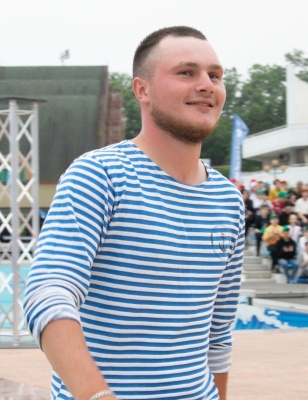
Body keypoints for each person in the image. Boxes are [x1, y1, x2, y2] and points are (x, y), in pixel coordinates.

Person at [23, 26, 242, 400]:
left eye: (215, 75)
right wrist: (96, 394)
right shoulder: (100, 175)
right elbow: (48, 293)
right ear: (143, 90)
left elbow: (218, 334)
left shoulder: (228, 200)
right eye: (187, 72)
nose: (207, 85)